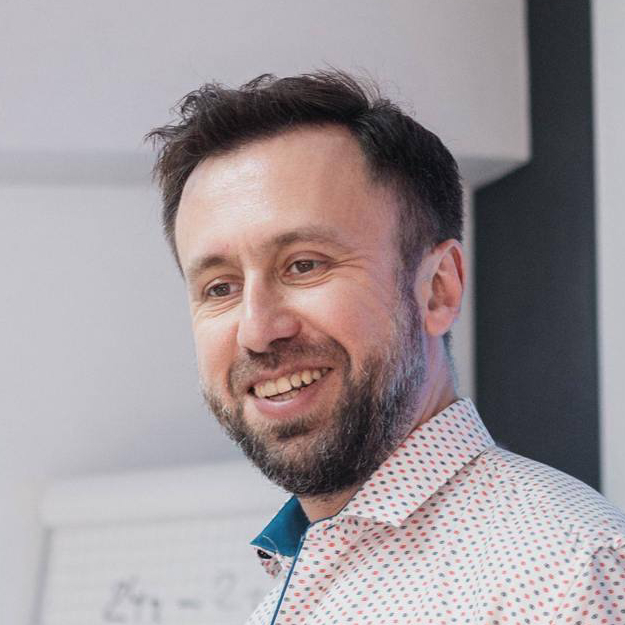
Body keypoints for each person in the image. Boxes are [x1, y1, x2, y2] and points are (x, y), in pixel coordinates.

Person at [146, 71, 625, 625]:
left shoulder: (567, 577)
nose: (257, 330)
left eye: (304, 265)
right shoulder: (297, 586)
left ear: (438, 289)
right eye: (220, 288)